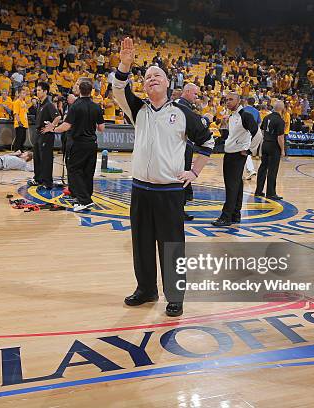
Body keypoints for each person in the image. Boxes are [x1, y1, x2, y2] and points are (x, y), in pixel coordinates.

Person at [112, 38, 214, 317]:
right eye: (147, 77)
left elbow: (208, 142)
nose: (151, 79)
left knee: (172, 246)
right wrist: (125, 64)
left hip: (169, 191)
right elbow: (118, 89)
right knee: (141, 243)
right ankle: (146, 289)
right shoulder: (138, 110)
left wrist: (194, 171)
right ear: (144, 86)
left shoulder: (182, 113)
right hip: (140, 189)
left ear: (168, 83)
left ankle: (175, 296)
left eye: (157, 75)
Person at [42, 80, 104, 211]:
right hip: (92, 143)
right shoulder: (96, 107)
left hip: (78, 143)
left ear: (79, 91)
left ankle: (84, 200)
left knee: (75, 171)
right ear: (91, 90)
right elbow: (101, 128)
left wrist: (53, 128)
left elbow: (66, 126)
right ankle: (86, 197)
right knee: (88, 172)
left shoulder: (75, 106)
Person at [212, 91, 259, 227]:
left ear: (238, 101)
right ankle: (235, 215)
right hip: (231, 153)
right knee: (237, 186)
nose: (228, 102)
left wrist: (250, 150)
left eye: (231, 99)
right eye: (226, 99)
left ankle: (225, 217)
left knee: (231, 186)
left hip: (237, 155)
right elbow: (231, 136)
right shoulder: (232, 116)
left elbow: (258, 134)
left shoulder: (245, 115)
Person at [174, 83, 208, 221]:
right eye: (195, 94)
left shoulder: (185, 105)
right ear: (187, 91)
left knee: (183, 177)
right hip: (180, 148)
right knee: (181, 177)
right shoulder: (180, 106)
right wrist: (204, 120)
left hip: (184, 147)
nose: (196, 97)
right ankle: (177, 211)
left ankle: (179, 209)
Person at [30, 81, 60, 189]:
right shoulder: (40, 104)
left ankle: (47, 182)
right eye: (36, 90)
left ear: (45, 91)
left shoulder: (49, 104)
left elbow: (58, 117)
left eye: (39, 90)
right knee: (37, 157)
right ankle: (38, 179)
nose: (37, 92)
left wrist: (51, 127)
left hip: (46, 136)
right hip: (38, 134)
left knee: (46, 159)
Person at [255, 100, 286, 199]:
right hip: (274, 146)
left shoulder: (267, 117)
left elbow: (262, 131)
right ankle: (271, 193)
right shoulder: (280, 120)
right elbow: (280, 137)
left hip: (265, 144)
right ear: (282, 108)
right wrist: (282, 150)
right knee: (272, 170)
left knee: (263, 168)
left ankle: (258, 191)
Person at [243, 96, 263, 180]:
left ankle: (251, 170)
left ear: (247, 101)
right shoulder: (256, 111)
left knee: (244, 152)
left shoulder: (243, 110)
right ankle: (243, 173)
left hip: (246, 133)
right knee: (245, 153)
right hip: (256, 133)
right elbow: (259, 123)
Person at [12, 87, 29, 152]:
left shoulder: (24, 102)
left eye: (25, 93)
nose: (24, 94)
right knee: (19, 139)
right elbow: (16, 113)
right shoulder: (17, 102)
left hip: (24, 123)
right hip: (20, 124)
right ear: (19, 94)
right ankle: (17, 151)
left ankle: (21, 150)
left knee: (23, 138)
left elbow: (25, 113)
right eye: (23, 93)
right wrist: (19, 122)